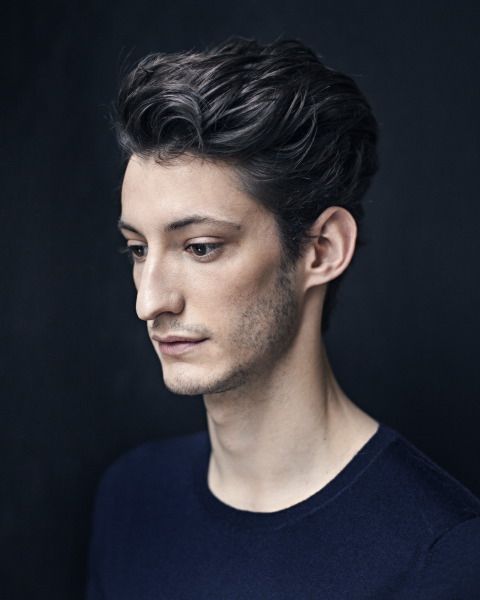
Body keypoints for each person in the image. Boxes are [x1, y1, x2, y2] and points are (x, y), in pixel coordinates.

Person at [86, 37, 480, 599]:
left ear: (322, 250)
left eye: (200, 247)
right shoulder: (130, 497)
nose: (149, 303)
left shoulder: (444, 557)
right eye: (137, 249)